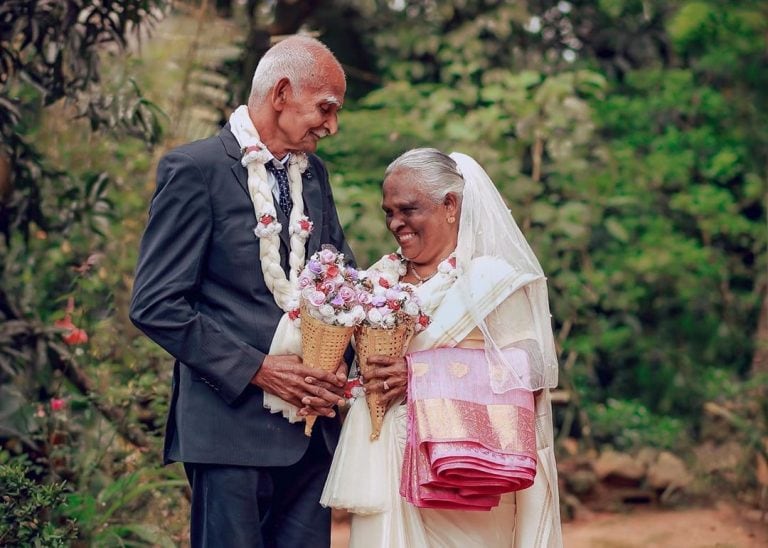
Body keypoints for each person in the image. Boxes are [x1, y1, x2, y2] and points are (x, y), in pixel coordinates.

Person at [129, 35, 354, 547]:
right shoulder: (195, 169)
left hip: (309, 436)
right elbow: (156, 304)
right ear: (280, 93)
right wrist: (257, 369)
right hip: (228, 435)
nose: (331, 125)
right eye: (325, 108)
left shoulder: (313, 175)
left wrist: (344, 360)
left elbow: (339, 278)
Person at [321, 148, 563, 547]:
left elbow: (531, 370)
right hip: (384, 470)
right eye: (388, 212)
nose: (396, 223)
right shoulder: (379, 280)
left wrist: (419, 374)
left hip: (462, 479)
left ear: (450, 205)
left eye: (408, 209)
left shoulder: (491, 282)